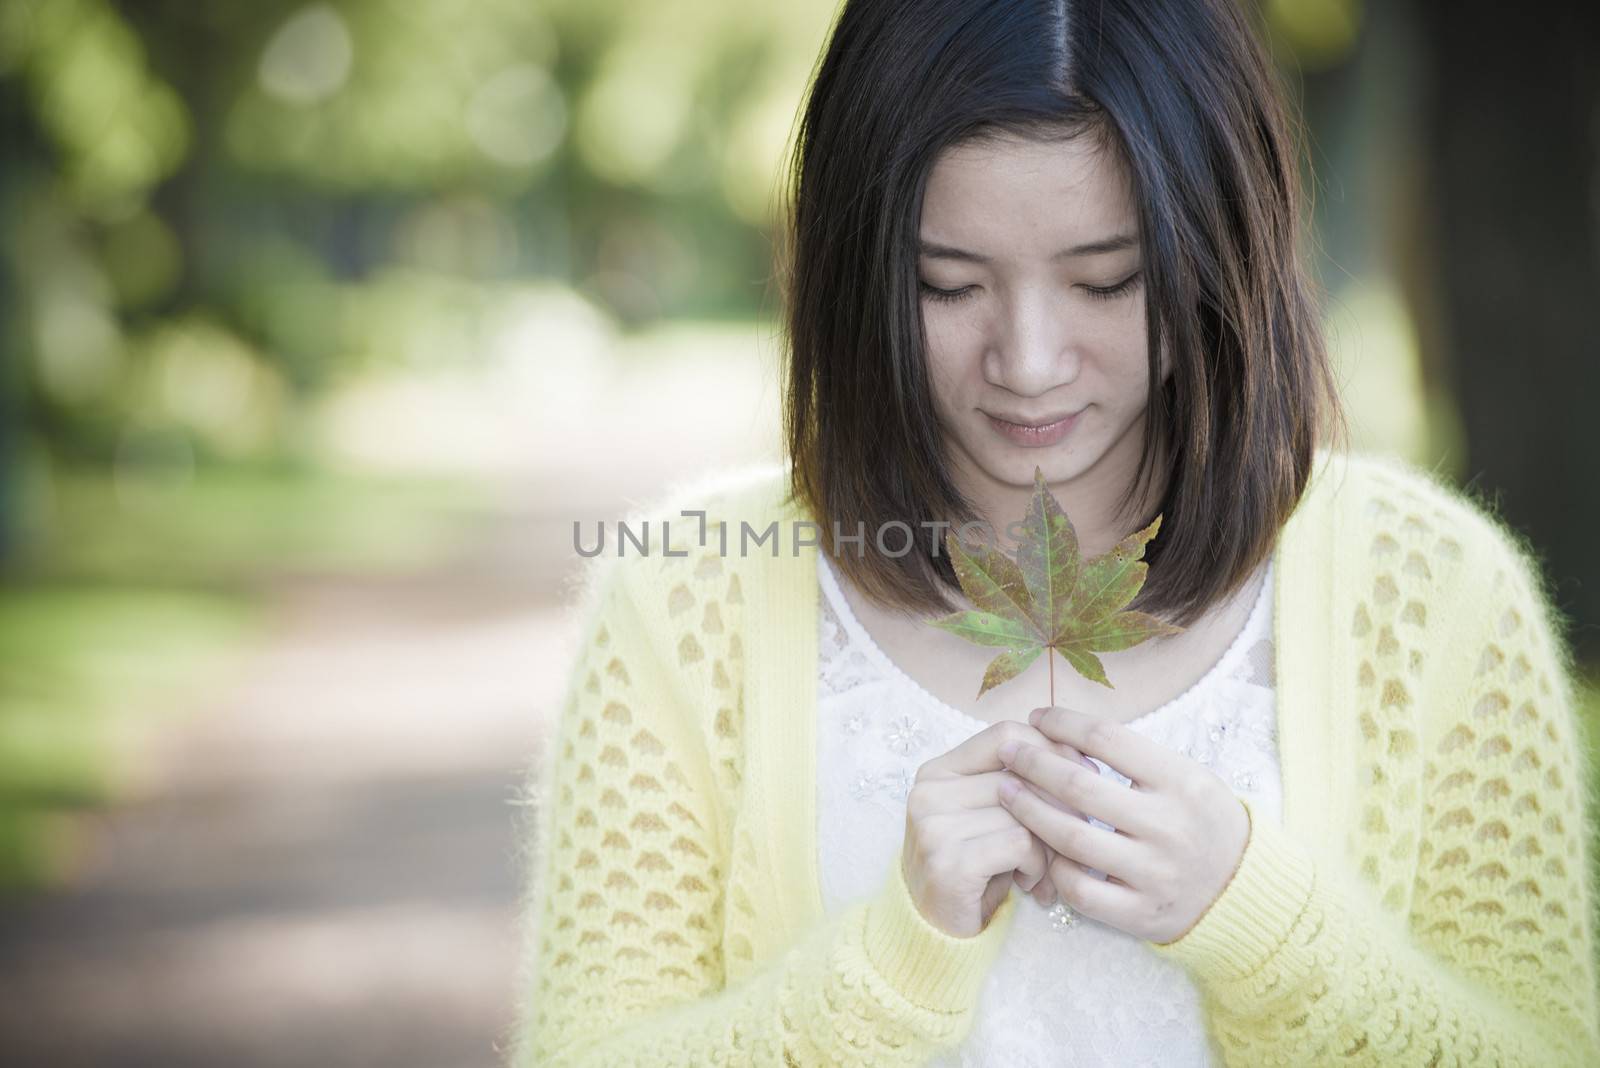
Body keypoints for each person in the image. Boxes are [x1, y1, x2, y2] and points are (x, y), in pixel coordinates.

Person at [504, 0, 1600, 1064]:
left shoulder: (1432, 591)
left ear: (1224, 251)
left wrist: (1259, 924)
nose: (1027, 361)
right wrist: (890, 968)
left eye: (1105, 280)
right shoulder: (692, 596)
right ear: (855, 271)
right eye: (947, 285)